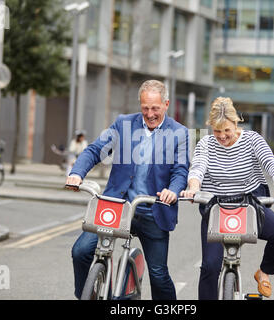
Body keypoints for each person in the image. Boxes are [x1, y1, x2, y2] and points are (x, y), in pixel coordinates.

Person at [65, 80, 189, 300]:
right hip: (117, 208)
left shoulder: (179, 133)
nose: (149, 114)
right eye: (145, 108)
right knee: (81, 252)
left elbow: (181, 170)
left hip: (153, 210)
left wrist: (173, 190)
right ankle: (89, 295)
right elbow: (94, 150)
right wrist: (77, 173)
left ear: (166, 104)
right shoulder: (124, 124)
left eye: (155, 108)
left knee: (159, 274)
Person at [180, 97, 274, 299]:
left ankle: (264, 272)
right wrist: (193, 188)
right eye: (217, 131)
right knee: (209, 267)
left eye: (226, 131)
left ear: (236, 122)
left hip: (248, 205)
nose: (222, 136)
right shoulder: (205, 143)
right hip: (216, 208)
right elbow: (197, 168)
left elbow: (270, 164)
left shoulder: (252, 140)